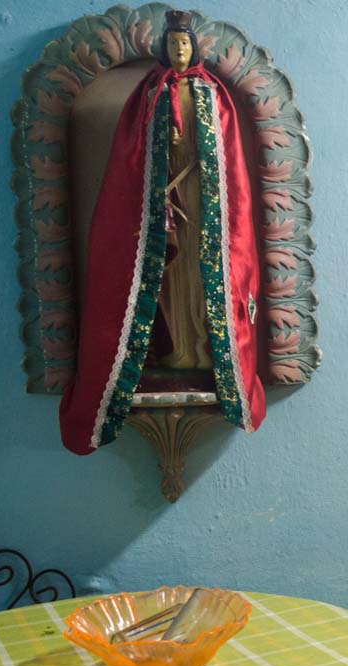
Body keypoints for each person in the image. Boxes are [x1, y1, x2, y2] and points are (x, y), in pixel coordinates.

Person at [59, 10, 266, 455]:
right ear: (161, 49)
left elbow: (227, 164)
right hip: (162, 205)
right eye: (172, 46)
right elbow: (132, 163)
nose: (179, 52)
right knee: (165, 278)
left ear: (195, 49)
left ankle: (200, 352)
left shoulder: (212, 94)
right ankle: (173, 353)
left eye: (185, 46)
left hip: (202, 203)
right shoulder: (148, 96)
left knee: (199, 272)